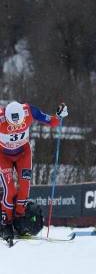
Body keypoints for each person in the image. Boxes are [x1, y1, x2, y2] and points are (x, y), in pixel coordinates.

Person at [0, 101, 68, 242]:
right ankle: (6, 223)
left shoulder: (28, 111)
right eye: (13, 125)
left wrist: (59, 115)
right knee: (10, 190)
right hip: (3, 156)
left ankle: (20, 220)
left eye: (19, 124)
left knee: (24, 189)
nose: (17, 127)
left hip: (23, 154)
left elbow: (52, 121)